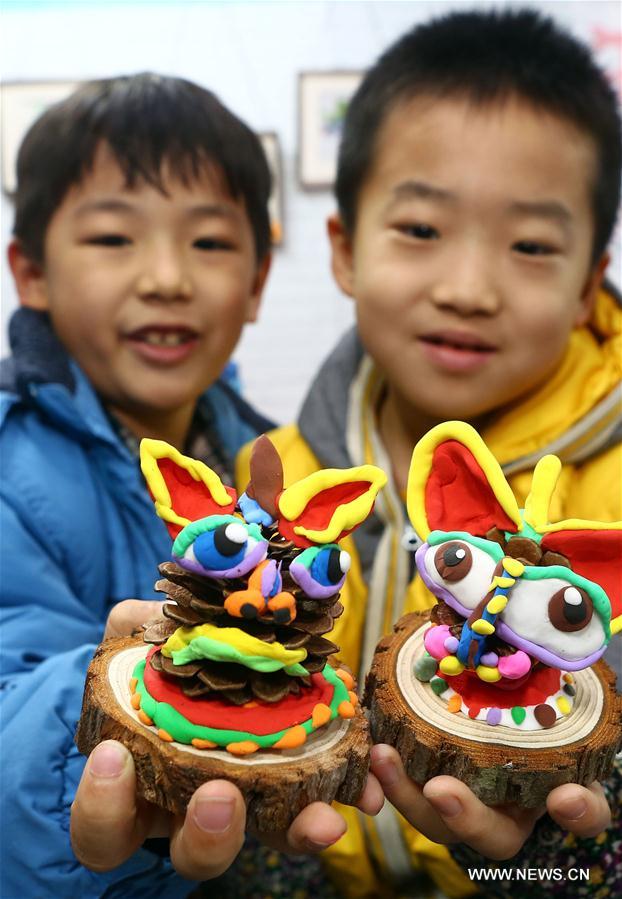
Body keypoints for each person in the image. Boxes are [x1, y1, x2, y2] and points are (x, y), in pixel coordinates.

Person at [237, 9, 622, 898]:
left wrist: (545, 867)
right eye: (420, 229)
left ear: (586, 284)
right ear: (343, 250)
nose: (467, 288)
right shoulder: (285, 485)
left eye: (531, 245)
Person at [0, 74, 382, 899]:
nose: (168, 276)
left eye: (209, 243)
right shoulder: (8, 463)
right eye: (112, 238)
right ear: (30, 271)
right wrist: (149, 686)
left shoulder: (277, 463)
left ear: (255, 283)